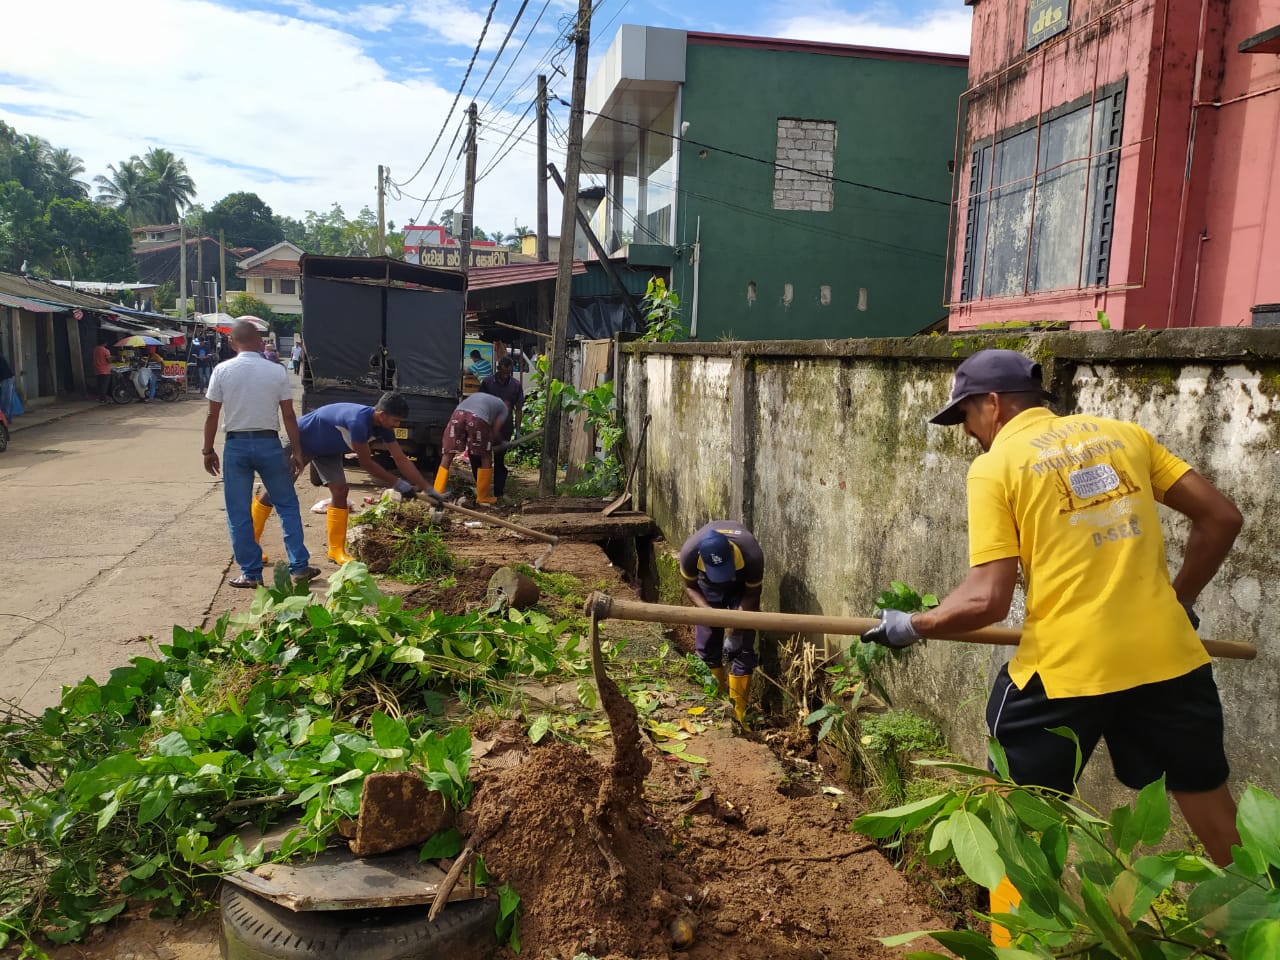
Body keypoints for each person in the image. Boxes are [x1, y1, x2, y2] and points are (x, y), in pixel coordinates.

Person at [863, 349, 1244, 870]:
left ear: (992, 404)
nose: (968, 431)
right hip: (1169, 657)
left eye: (967, 416)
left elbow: (987, 599)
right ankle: (1258, 932)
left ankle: (1016, 946)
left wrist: (913, 625)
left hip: (1066, 668)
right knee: (1222, 828)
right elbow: (1221, 517)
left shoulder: (996, 467)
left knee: (1014, 830)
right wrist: (1180, 599)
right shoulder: (1125, 435)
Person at [255, 392, 439, 565]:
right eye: (396, 420)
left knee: (340, 491)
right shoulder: (358, 421)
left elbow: (401, 459)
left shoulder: (384, 427)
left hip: (327, 448)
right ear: (382, 415)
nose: (397, 425)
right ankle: (252, 544)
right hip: (300, 439)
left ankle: (336, 550)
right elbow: (366, 464)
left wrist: (428, 489)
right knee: (276, 490)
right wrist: (398, 483)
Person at [202, 320, 319, 588]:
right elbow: (288, 415)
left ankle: (251, 573)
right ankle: (299, 566)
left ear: (232, 343)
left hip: (236, 446)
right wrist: (298, 451)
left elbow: (212, 415)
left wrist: (208, 450)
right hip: (269, 445)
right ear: (259, 342)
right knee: (287, 505)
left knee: (238, 511)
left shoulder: (222, 370)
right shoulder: (276, 371)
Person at [677, 521, 765, 723]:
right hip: (707, 586)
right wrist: (708, 614)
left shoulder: (751, 553)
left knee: (743, 648)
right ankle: (714, 709)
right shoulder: (690, 552)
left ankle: (738, 715)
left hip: (741, 588)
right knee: (707, 646)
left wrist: (735, 633)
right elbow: (690, 587)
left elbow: (753, 594)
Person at [433, 391, 507, 505]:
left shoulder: (482, 396)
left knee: (448, 453)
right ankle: (483, 497)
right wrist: (500, 442)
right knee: (485, 456)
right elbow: (496, 431)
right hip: (477, 418)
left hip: (457, 414)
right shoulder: (503, 408)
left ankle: (437, 492)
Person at [479, 356, 524, 498]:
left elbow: (518, 408)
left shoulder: (515, 385)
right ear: (498, 369)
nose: (505, 375)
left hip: (505, 427)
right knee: (483, 458)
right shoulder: (487, 383)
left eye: (508, 372)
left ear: (511, 370)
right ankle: (482, 491)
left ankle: (498, 492)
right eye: (502, 372)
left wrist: (517, 430)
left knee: (499, 460)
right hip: (487, 425)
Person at [92, 339, 113, 403]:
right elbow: (109, 360)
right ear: (105, 343)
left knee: (100, 385)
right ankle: (103, 399)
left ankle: (100, 398)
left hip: (97, 370)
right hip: (105, 370)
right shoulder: (106, 350)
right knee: (104, 385)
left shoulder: (95, 349)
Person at [0, 347, 17, 418]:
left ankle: (5, 417)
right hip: (8, 378)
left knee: (5, 398)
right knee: (7, 398)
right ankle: (7, 417)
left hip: (7, 378)